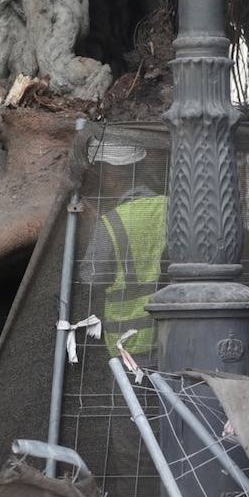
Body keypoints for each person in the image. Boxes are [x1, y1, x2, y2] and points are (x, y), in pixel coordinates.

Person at [81, 138, 166, 365]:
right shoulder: (172, 207)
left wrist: (91, 227)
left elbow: (91, 277)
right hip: (175, 334)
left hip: (130, 344)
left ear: (111, 174)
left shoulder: (111, 222)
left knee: (135, 401)